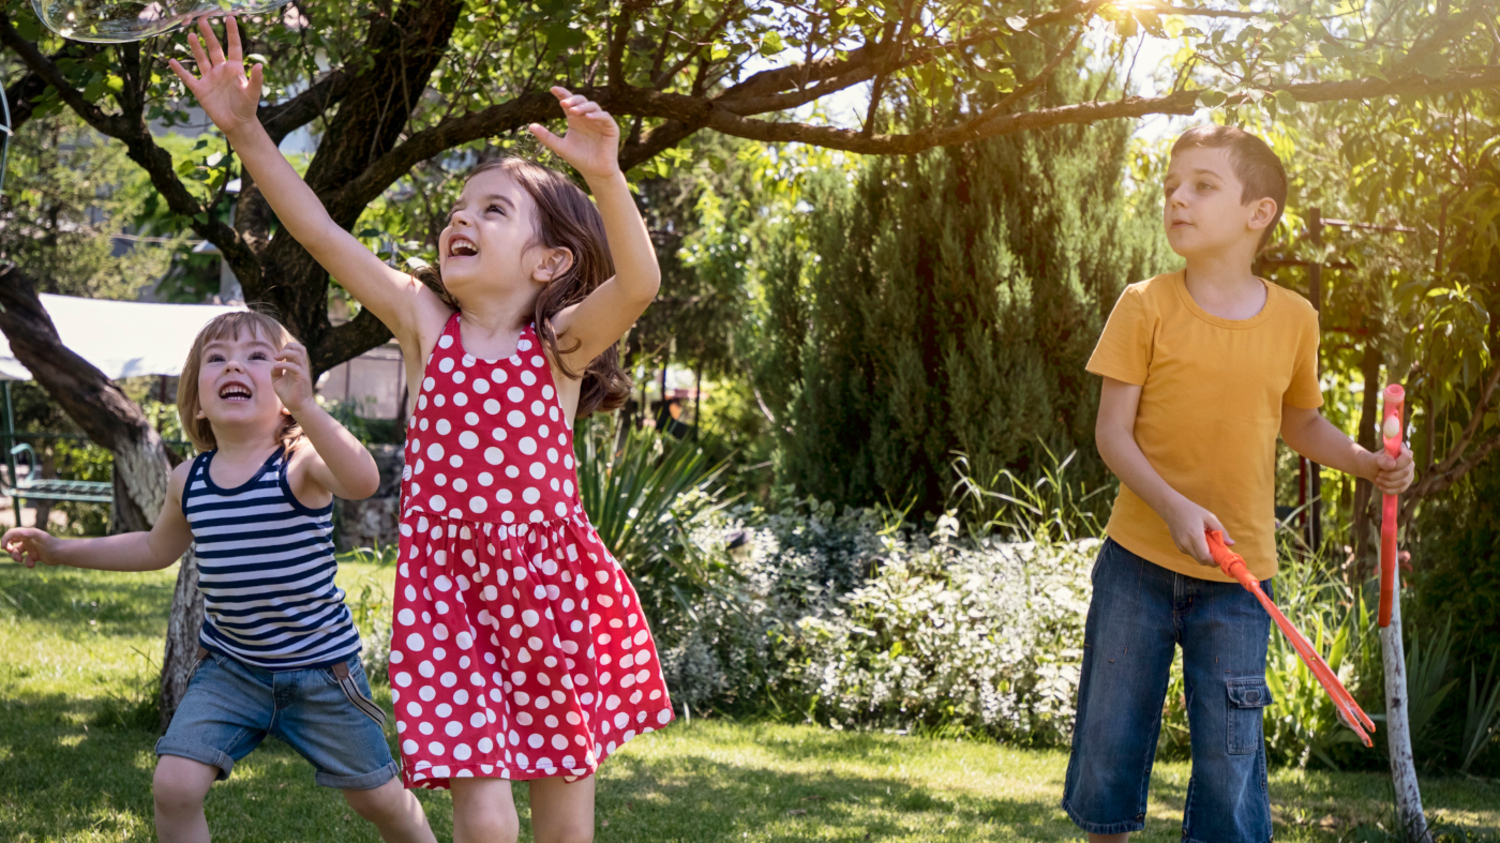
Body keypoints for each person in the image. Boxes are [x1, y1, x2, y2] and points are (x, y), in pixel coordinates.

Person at [170, 17, 673, 843]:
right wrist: (248, 132)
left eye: (494, 208)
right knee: (480, 802)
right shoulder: (424, 322)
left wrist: (607, 177)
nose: (459, 220)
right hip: (448, 595)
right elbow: (321, 234)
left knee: (562, 793)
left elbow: (641, 283)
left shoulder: (560, 347)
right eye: (457, 207)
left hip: (548, 585)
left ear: (549, 262)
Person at [1062, 124, 1415, 842]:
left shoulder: (1295, 318)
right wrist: (1173, 506)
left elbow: (1302, 423)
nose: (1177, 200)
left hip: (1240, 575)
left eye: (1201, 184)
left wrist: (1366, 462)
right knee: (1110, 745)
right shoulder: (1145, 304)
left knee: (1231, 763)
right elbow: (1111, 435)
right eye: (1170, 187)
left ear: (1259, 213)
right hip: (1136, 564)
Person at [2, 311, 435, 843]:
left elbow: (363, 480)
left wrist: (307, 407)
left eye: (257, 356)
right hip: (232, 669)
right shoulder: (190, 479)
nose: (235, 364)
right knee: (174, 786)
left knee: (379, 799)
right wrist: (59, 549)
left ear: (284, 390)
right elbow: (153, 547)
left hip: (322, 671)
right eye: (217, 358)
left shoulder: (299, 462)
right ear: (197, 398)